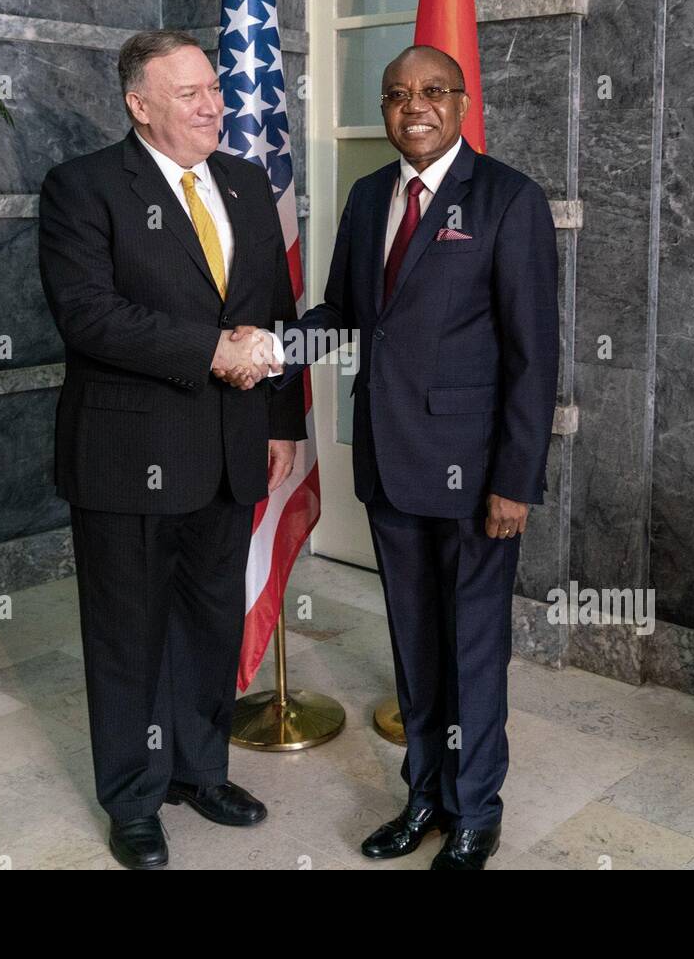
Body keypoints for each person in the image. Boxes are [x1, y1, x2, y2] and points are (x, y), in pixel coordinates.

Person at [235, 44, 559, 869]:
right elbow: (345, 312)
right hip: (388, 463)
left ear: (460, 102)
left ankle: (477, 809)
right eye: (396, 95)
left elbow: (533, 356)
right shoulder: (371, 192)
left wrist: (514, 481)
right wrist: (275, 348)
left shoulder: (507, 199)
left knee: (474, 645)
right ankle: (424, 796)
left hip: (476, 475)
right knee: (414, 640)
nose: (413, 106)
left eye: (431, 92)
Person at [37, 29, 305, 870]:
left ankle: (199, 769)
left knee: (208, 620)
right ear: (139, 104)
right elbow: (90, 316)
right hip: (127, 457)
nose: (213, 103)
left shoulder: (247, 181)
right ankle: (135, 797)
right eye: (188, 93)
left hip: (231, 449)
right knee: (130, 633)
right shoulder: (82, 188)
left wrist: (284, 420)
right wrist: (211, 350)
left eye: (215, 88)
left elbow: (279, 310)